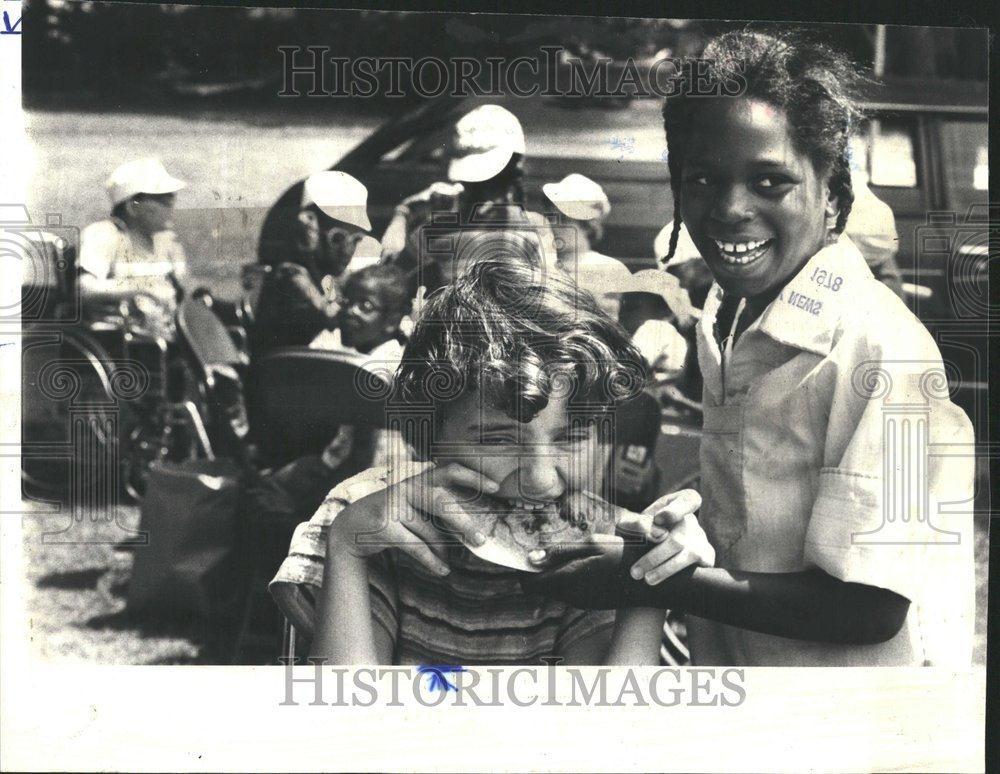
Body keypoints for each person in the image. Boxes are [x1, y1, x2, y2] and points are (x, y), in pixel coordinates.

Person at [525, 30, 975, 667]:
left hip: (855, 723)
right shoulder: (728, 316)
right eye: (702, 178)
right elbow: (760, 510)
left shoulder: (888, 354)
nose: (731, 207)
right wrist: (680, 536)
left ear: (835, 198)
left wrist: (646, 578)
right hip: (747, 686)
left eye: (770, 182)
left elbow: (873, 607)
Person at [306, 256, 713, 665]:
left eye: (571, 437)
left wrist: (650, 583)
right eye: (498, 440)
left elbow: (611, 723)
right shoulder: (363, 518)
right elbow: (348, 711)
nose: (541, 482)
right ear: (426, 438)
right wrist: (347, 547)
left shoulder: (596, 549)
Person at [381, 104, 558, 293]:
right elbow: (387, 280)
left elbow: (549, 290)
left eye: (493, 180)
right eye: (473, 183)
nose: (480, 191)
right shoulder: (438, 228)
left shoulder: (535, 227)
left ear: (514, 172)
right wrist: (402, 216)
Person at [252, 171, 372, 353]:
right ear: (308, 229)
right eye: (337, 238)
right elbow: (329, 313)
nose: (347, 250)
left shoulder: (330, 276)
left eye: (355, 240)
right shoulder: (290, 274)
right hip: (278, 373)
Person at [78, 157, 189, 336]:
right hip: (119, 343)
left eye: (171, 199)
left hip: (161, 336)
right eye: (163, 200)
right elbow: (85, 288)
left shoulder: (166, 242)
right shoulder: (104, 234)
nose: (171, 206)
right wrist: (143, 288)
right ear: (132, 206)